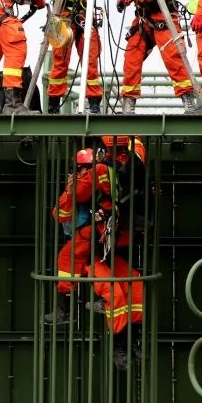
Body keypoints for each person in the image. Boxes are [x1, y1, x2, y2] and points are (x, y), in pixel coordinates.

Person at [45, 147, 144, 370]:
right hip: (89, 257)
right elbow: (60, 215)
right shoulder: (80, 190)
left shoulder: (104, 181)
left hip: (103, 251)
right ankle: (69, 312)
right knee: (114, 291)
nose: (85, 173)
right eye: (82, 169)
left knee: (135, 284)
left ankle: (131, 341)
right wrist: (70, 192)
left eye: (86, 169)